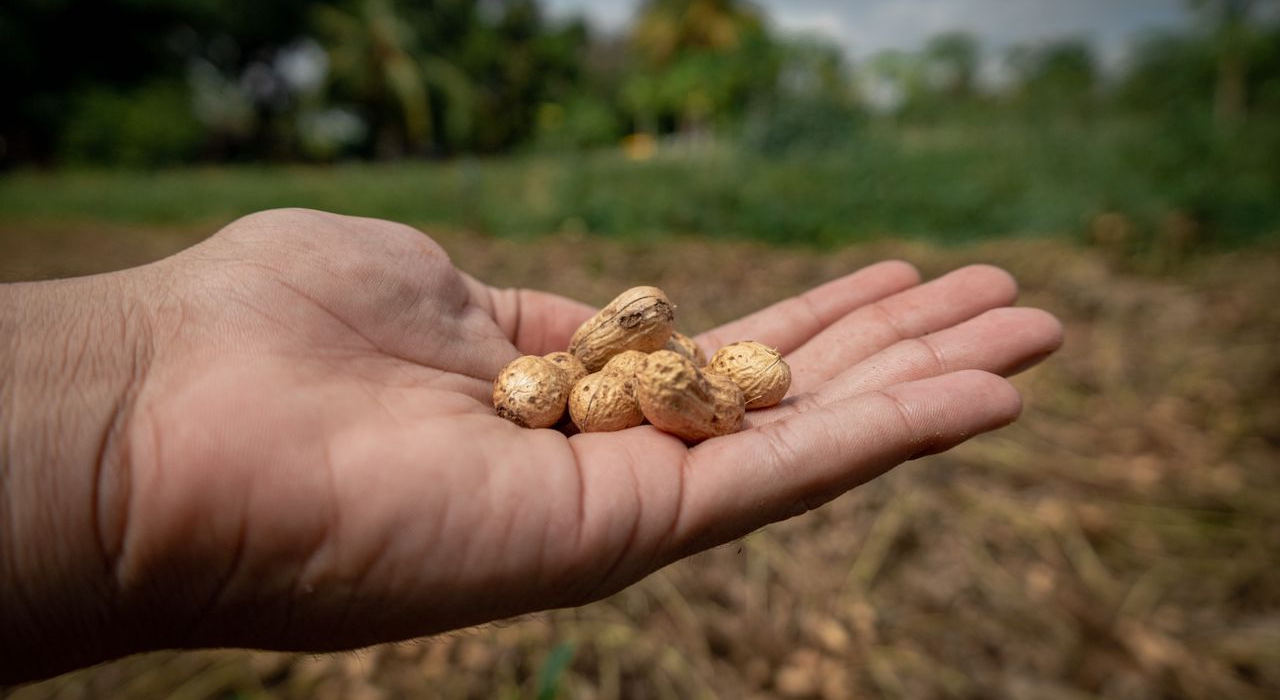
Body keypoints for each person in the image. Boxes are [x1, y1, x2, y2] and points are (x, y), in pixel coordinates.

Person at [0, 209, 1062, 684]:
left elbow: (665, 365)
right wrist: (137, 375)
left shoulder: (647, 362)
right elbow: (628, 367)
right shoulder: (606, 367)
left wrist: (124, 405)